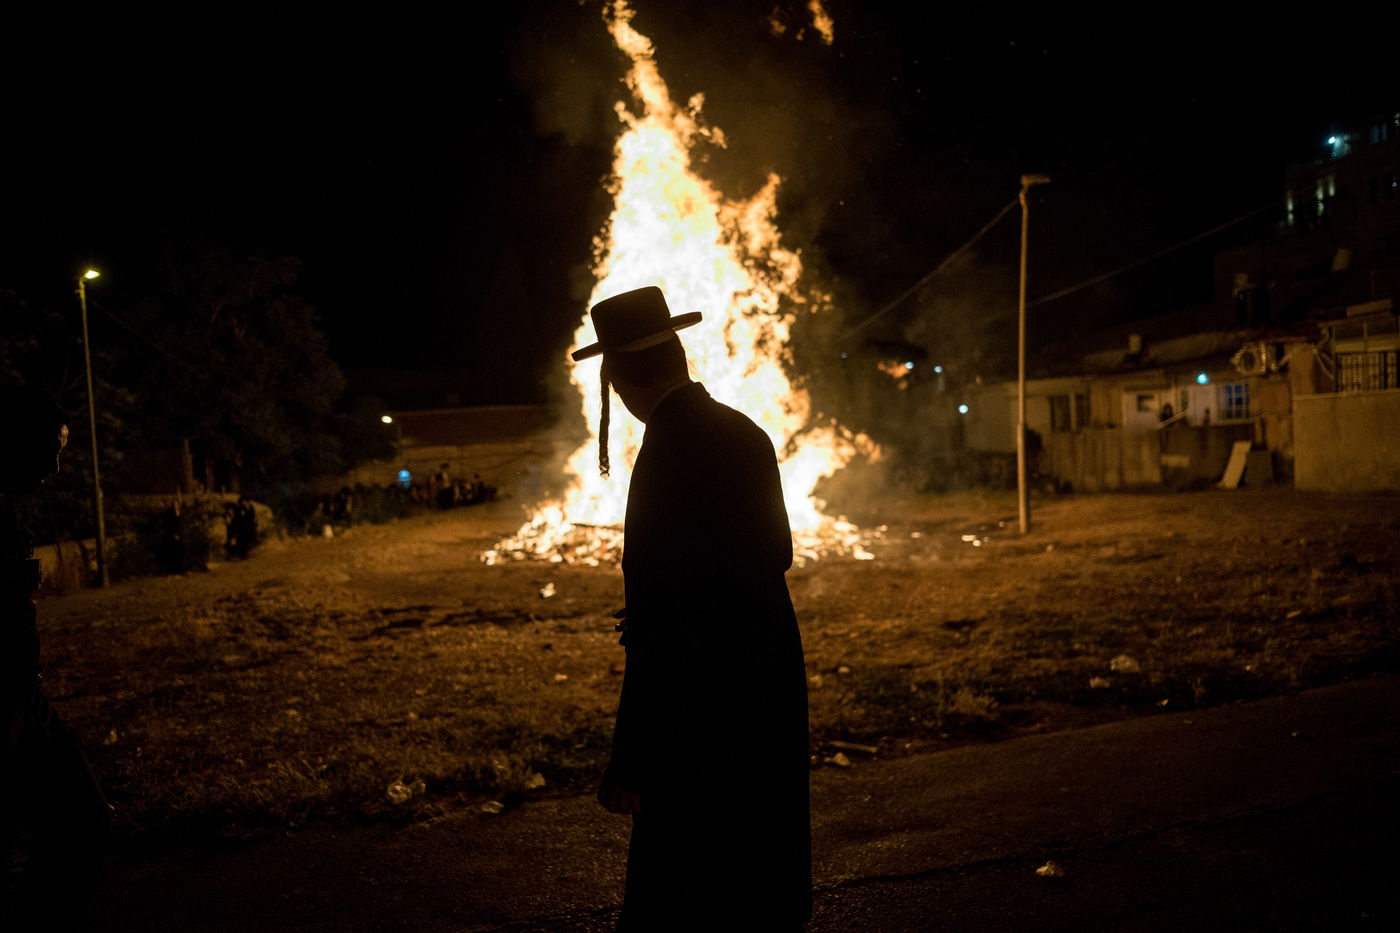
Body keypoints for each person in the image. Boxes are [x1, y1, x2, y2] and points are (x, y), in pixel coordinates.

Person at [578, 286, 811, 930]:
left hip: (701, 703)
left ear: (618, 383)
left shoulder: (665, 455)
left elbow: (660, 620)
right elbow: (775, 553)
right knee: (762, 860)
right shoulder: (743, 431)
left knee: (687, 883)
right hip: (766, 671)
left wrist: (631, 759)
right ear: (679, 358)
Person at [0, 384, 109, 931]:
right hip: (9, 701)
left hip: (22, 694)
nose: (55, 464)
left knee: (78, 820)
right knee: (81, 820)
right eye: (47, 445)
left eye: (61, 448)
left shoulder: (4, 508)